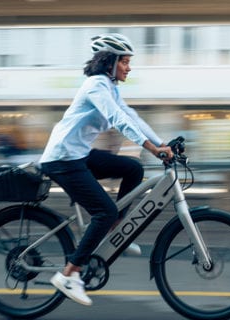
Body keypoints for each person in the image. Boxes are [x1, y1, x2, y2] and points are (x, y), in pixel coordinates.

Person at [39, 33, 173, 306]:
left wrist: (162, 143)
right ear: (109, 62)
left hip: (79, 155)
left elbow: (131, 116)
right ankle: (69, 275)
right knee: (104, 211)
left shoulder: (110, 87)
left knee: (133, 169)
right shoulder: (95, 86)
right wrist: (151, 147)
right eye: (124, 61)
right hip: (63, 159)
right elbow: (117, 119)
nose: (129, 67)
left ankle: (115, 232)